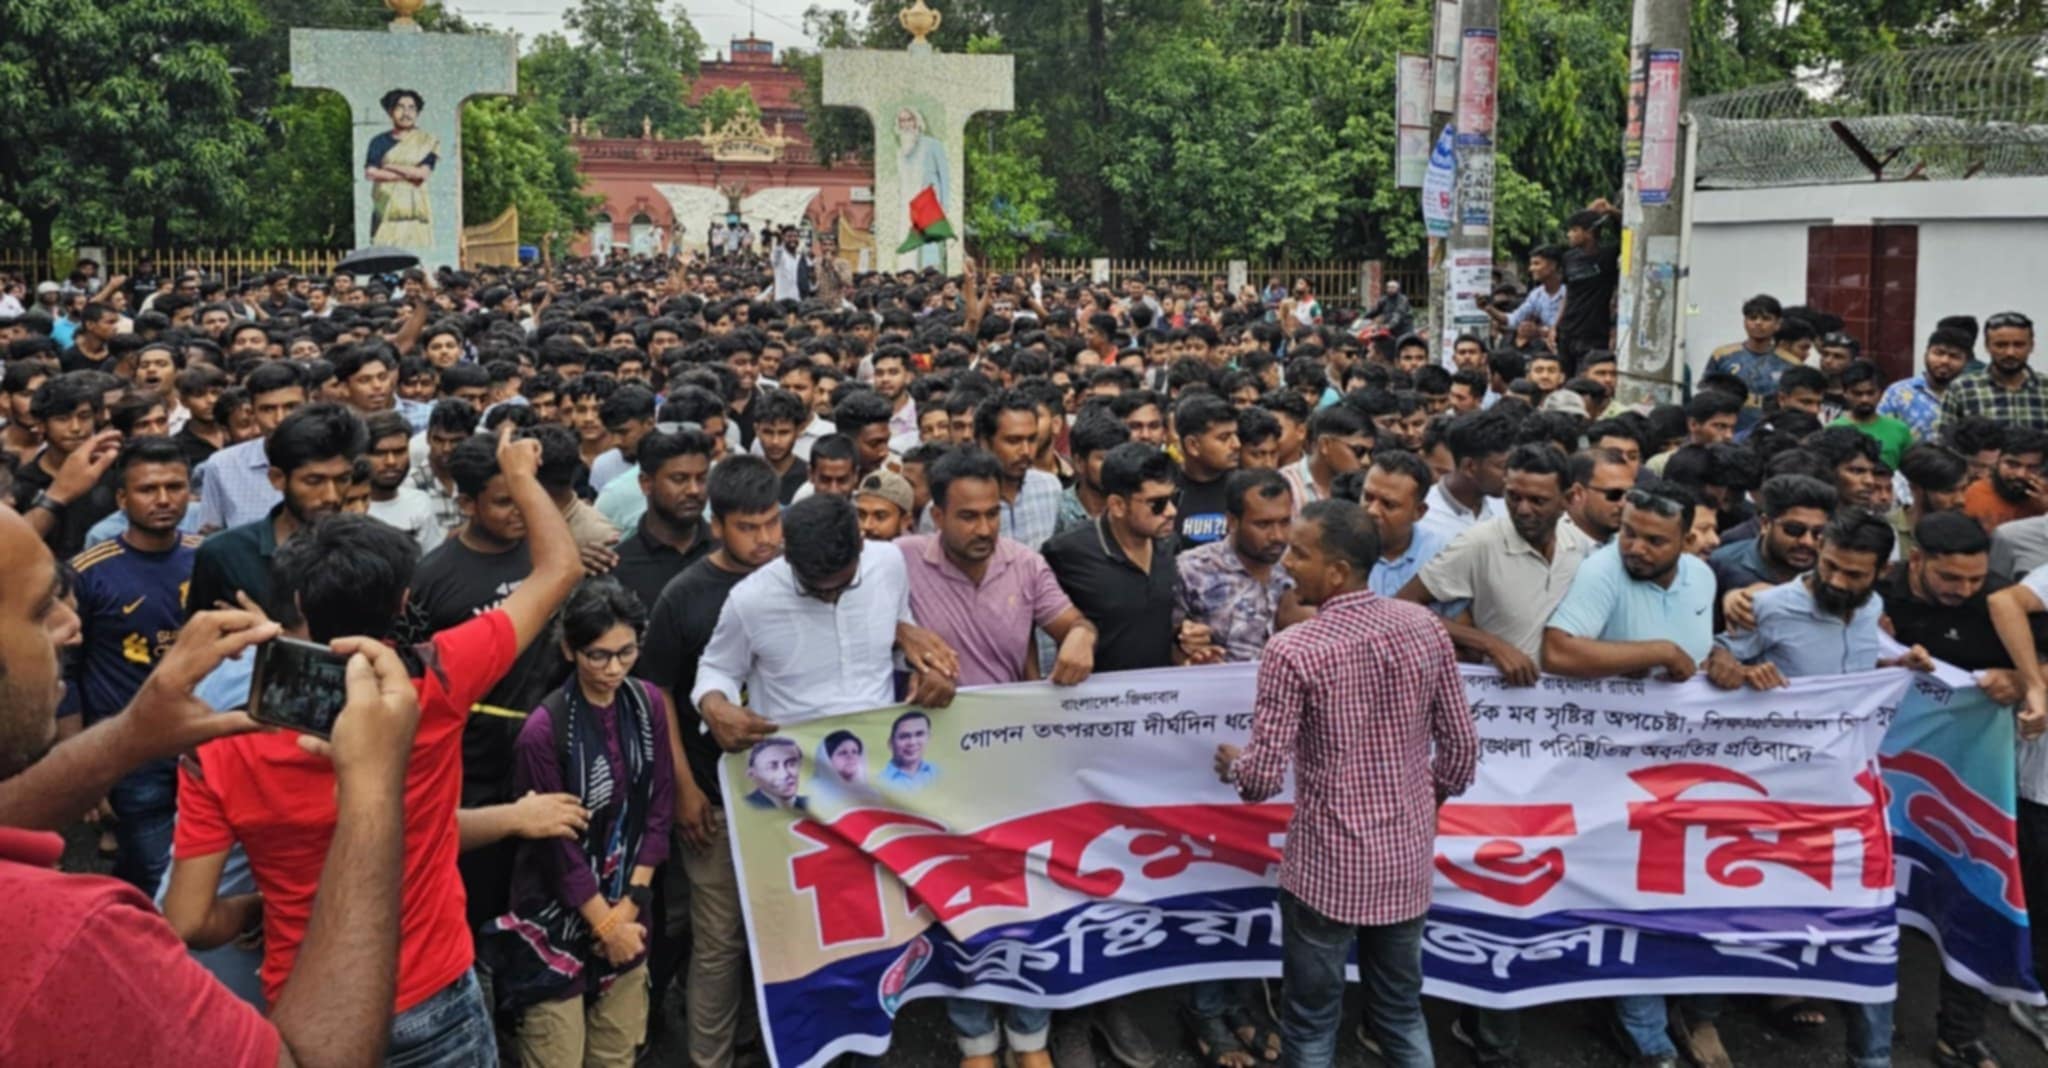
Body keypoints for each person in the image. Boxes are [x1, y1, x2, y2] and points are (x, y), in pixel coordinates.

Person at [165, 446, 576, 1065]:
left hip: (306, 1003)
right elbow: (560, 568)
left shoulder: (219, 742)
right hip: (433, 991)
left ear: (296, 602)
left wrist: (259, 907)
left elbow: (188, 920)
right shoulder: (438, 679)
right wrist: (518, 472)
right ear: (403, 600)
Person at [0, 500, 418, 1064]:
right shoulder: (69, 940)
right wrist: (371, 792)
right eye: (40, 609)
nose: (71, 627)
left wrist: (128, 737)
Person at [1215, 499, 1477, 1068]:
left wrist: (1234, 764)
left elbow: (1260, 780)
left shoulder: (1294, 650)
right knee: (1401, 1012)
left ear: (1336, 571)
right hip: (1405, 858)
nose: (1287, 563)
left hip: (1325, 866)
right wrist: (1423, 802)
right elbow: (1461, 751)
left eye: (1299, 553)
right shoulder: (1425, 628)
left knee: (1311, 1023)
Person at [1541, 479, 1720, 1068]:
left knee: (1682, 890)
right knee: (1630, 893)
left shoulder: (1703, 578)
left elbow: (1699, 652)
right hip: (1610, 769)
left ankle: (1681, 1009)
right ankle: (1643, 1030)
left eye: (1654, 541)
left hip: (1682, 766)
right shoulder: (1602, 572)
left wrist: (1721, 659)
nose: (1636, 549)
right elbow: (1558, 652)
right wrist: (1657, 650)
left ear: (1686, 540)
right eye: (1629, 533)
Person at [484, 578, 676, 1068]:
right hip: (556, 917)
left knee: (615, 1054)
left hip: (630, 905)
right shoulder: (543, 731)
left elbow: (659, 808)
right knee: (557, 1054)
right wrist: (605, 924)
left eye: (626, 652)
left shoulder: (648, 703)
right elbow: (556, 848)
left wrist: (629, 907)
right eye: (598, 656)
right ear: (569, 650)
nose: (613, 669)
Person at [638, 455, 787, 1068]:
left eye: (773, 522)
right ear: (717, 526)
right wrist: (683, 788)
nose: (766, 539)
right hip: (714, 799)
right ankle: (711, 1057)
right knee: (719, 942)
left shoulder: (796, 577)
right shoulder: (685, 596)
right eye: (749, 527)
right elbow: (658, 694)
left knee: (778, 934)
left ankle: (761, 1043)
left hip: (791, 799)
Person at [63, 436, 204, 893]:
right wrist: (82, 765)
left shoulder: (209, 558)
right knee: (159, 874)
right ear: (122, 499)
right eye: (147, 489)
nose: (163, 499)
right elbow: (67, 672)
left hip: (202, 743)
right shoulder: (88, 572)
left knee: (199, 867)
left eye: (174, 487)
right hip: (130, 750)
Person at [187, 403, 366, 617]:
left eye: (342, 479)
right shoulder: (224, 555)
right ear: (277, 479)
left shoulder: (372, 550)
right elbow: (201, 634)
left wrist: (272, 633)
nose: (331, 496)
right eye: (314, 481)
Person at [607, 428, 716, 613]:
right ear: (646, 483)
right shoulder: (618, 567)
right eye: (679, 479)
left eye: (702, 478)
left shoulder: (727, 551)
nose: (694, 490)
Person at [1941, 312, 2046, 432]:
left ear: (2031, 346)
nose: (2010, 353)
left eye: (2018, 345)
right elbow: (1944, 438)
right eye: (2001, 345)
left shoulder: (2044, 388)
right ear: (1987, 346)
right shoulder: (1962, 389)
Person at [1417, 408, 1510, 541]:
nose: (1510, 475)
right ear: (1469, 467)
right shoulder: (1423, 517)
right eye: (1502, 467)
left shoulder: (1507, 506)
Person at [363, 408, 444, 554]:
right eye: (379, 453)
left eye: (399, 452)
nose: (391, 462)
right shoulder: (348, 509)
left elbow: (432, 561)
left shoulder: (420, 503)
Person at [366, 88, 440, 247]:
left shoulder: (426, 142)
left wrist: (390, 166)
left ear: (417, 112)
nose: (406, 113)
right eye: (400, 107)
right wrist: (408, 175)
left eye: (411, 108)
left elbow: (422, 174)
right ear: (390, 111)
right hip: (385, 214)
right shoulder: (378, 142)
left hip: (416, 217)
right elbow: (371, 173)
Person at [1878, 327, 1972, 442]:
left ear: (1966, 361)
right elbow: (1882, 435)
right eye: (1939, 353)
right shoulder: (1898, 392)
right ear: (1926, 353)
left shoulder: (1971, 395)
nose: (1944, 361)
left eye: (1954, 356)